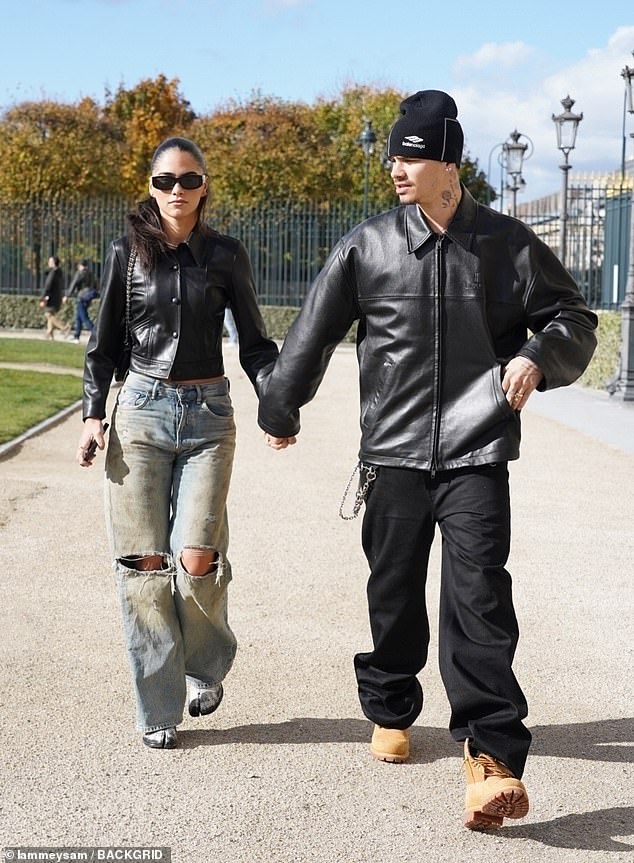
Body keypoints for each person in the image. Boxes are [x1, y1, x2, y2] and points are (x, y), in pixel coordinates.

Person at [257, 91, 598, 829]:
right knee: (394, 593)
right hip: (394, 455)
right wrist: (279, 407)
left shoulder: (508, 246)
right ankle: (390, 701)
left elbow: (574, 318)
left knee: (479, 599)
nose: (395, 169)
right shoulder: (369, 245)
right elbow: (311, 335)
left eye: (409, 156)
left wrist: (538, 353)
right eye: (394, 155)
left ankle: (492, 755)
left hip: (478, 451)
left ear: (450, 161)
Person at [75, 136, 279, 750]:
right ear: (151, 184)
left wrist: (277, 403)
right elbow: (104, 344)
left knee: (195, 560)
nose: (176, 192)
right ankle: (158, 705)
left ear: (204, 185)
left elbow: (257, 345)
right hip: (139, 412)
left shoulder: (225, 254)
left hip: (208, 416)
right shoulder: (124, 254)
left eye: (188, 181)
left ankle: (207, 663)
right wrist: (92, 415)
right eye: (165, 181)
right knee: (142, 565)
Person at [64, 258, 98, 342]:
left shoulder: (80, 273)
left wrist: (67, 295)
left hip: (81, 297)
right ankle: (76, 336)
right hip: (88, 297)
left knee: (84, 317)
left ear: (80, 266)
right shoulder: (91, 273)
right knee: (78, 317)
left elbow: (74, 284)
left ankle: (96, 334)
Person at [39, 255, 69, 339]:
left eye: (50, 261)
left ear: (53, 263)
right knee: (50, 315)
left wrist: (43, 297)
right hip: (57, 297)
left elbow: (48, 286)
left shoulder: (53, 273)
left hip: (51, 297)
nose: (48, 263)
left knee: (48, 314)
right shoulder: (59, 272)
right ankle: (50, 336)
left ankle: (64, 327)